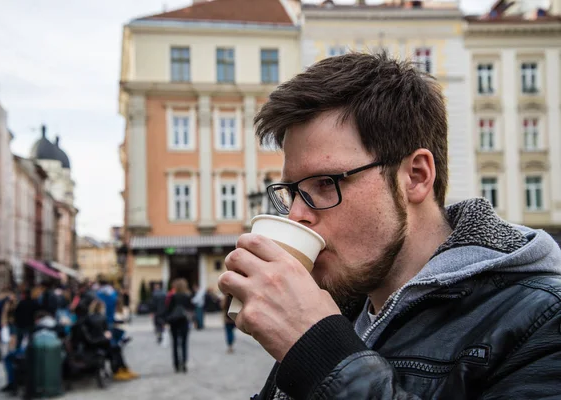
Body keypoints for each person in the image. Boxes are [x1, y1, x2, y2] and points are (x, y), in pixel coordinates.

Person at [218, 52, 561, 400]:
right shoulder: (338, 307)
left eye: (325, 183)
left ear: (415, 177)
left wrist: (320, 355)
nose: (295, 216)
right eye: (292, 191)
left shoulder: (542, 318)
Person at [0, 310, 63, 394]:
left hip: (33, 353)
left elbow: (26, 345)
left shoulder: (34, 328)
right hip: (53, 354)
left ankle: (12, 383)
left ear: (37, 319)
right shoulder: (57, 325)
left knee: (8, 357)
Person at [164, 278, 192, 373]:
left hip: (174, 322)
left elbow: (168, 310)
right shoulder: (187, 296)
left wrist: (166, 320)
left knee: (175, 344)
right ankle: (184, 363)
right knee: (184, 343)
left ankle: (176, 364)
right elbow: (191, 308)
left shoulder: (173, 297)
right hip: (184, 321)